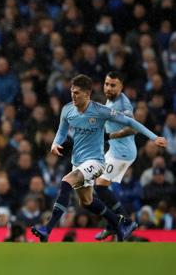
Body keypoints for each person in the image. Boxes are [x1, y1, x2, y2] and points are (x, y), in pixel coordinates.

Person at [31, 74, 167, 242]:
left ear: (87, 94)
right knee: (86, 202)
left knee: (66, 182)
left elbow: (131, 122)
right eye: (72, 92)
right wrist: (55, 143)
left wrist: (154, 137)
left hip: (96, 162)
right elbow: (62, 130)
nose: (73, 96)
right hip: (78, 162)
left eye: (77, 93)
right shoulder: (67, 109)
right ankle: (119, 222)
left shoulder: (101, 111)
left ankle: (47, 228)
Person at [95, 72, 138, 240]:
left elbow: (133, 128)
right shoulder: (111, 99)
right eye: (107, 84)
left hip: (122, 152)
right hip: (114, 150)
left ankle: (125, 221)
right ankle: (113, 224)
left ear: (121, 87)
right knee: (99, 187)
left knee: (101, 187)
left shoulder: (122, 103)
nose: (108, 87)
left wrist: (110, 136)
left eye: (113, 85)